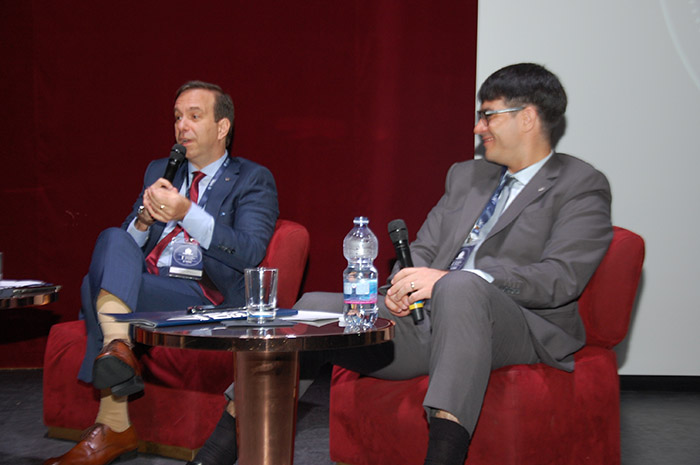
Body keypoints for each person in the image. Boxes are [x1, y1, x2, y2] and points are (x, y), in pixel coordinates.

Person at [189, 62, 613, 465]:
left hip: (516, 324)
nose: (477, 127)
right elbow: (425, 249)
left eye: (488, 115)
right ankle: (216, 453)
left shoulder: (580, 183)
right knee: (314, 307)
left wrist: (451, 279)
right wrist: (402, 284)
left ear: (528, 118)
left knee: (460, 287)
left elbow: (561, 277)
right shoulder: (467, 176)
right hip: (427, 322)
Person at [44, 81, 279, 465]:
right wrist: (143, 218)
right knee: (113, 237)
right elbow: (122, 249)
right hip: (149, 283)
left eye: (194, 116)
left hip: (204, 296)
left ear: (222, 127)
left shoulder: (252, 179)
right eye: (177, 117)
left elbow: (250, 252)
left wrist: (186, 211)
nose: (181, 126)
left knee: (93, 285)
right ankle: (118, 348)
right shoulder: (160, 169)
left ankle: (114, 422)